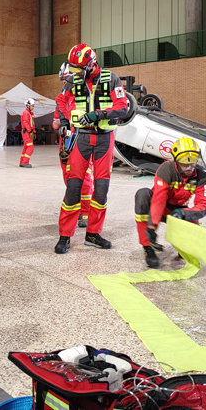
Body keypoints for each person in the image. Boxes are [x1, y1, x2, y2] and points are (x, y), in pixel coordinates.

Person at [54, 44, 128, 254]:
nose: (75, 73)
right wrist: (64, 120)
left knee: (101, 189)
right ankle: (64, 236)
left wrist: (98, 114)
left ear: (91, 64)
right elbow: (61, 100)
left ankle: (93, 234)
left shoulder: (111, 79)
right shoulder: (72, 80)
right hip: (82, 138)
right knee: (73, 187)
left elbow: (122, 107)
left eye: (79, 69)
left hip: (105, 139)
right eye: (73, 68)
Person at [135, 137, 206, 268]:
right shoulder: (166, 169)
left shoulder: (202, 175)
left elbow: (203, 206)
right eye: (185, 164)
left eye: (193, 163)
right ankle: (148, 249)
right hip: (158, 207)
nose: (190, 168)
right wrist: (152, 227)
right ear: (176, 160)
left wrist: (184, 214)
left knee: (190, 249)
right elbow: (159, 199)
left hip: (179, 210)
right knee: (142, 195)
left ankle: (184, 247)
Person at [54, 63, 92, 228]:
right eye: (63, 80)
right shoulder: (62, 99)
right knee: (69, 178)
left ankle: (85, 213)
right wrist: (60, 121)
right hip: (65, 142)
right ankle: (74, 211)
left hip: (82, 139)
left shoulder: (86, 96)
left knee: (85, 178)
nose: (65, 83)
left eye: (67, 79)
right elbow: (55, 124)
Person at [19, 98, 36, 168]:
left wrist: (33, 132)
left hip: (28, 132)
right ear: (28, 105)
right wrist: (30, 131)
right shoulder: (26, 113)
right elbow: (25, 123)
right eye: (32, 106)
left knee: (26, 147)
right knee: (30, 147)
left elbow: (32, 124)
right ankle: (25, 162)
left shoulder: (30, 113)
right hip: (27, 132)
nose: (33, 107)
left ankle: (22, 162)